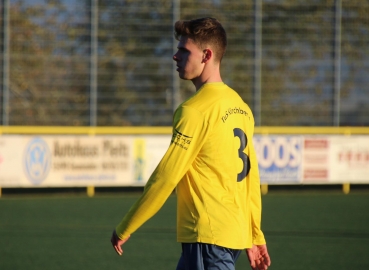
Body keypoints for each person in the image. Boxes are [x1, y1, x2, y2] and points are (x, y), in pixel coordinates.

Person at [111, 17, 271, 270]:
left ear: (206, 55)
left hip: (208, 237)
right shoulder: (240, 106)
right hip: (231, 236)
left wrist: (127, 225)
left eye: (184, 51)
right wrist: (254, 234)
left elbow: (165, 177)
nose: (175, 56)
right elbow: (251, 180)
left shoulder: (193, 111)